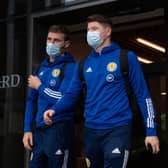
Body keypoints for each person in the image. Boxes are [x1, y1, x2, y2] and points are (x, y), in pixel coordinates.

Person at [43, 14, 160, 168]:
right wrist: (55, 109)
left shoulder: (126, 58)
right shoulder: (83, 64)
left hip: (117, 129)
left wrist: (151, 131)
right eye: (88, 29)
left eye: (94, 29)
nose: (89, 33)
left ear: (107, 31)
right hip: (91, 131)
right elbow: (71, 94)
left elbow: (143, 95)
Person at [22, 25, 75, 168]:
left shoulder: (71, 68)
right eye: (49, 39)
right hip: (39, 131)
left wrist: (39, 86)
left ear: (66, 44)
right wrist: (27, 129)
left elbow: (64, 98)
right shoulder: (39, 69)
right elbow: (31, 101)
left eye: (57, 40)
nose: (51, 43)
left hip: (59, 129)